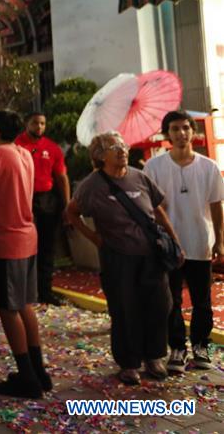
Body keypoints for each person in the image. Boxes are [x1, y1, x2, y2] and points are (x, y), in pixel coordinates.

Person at [66, 131, 181, 385]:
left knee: (160, 305)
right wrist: (95, 238)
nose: (121, 150)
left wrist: (175, 242)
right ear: (99, 156)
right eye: (113, 147)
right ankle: (129, 363)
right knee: (125, 309)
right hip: (118, 258)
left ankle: (154, 357)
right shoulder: (92, 185)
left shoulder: (139, 176)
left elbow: (158, 211)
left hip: (151, 254)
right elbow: (71, 212)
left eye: (122, 145)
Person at [0, 110, 51, 398]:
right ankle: (38, 370)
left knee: (7, 308)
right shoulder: (23, 152)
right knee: (25, 304)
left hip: (5, 241)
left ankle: (27, 377)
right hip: (27, 237)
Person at [143, 112, 223, 373]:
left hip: (200, 241)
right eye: (175, 129)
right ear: (167, 134)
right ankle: (177, 349)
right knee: (171, 301)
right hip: (167, 247)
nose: (181, 134)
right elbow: (149, 207)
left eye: (186, 128)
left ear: (193, 132)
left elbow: (216, 206)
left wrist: (220, 241)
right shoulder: (153, 168)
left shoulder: (208, 167)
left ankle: (203, 349)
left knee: (202, 301)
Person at [15, 113, 71, 305]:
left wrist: (67, 204)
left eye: (42, 123)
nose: (39, 127)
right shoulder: (16, 145)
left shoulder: (52, 148)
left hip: (47, 200)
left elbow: (62, 177)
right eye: (35, 123)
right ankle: (25, 290)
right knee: (25, 247)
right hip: (23, 199)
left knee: (47, 247)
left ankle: (45, 291)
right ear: (26, 124)